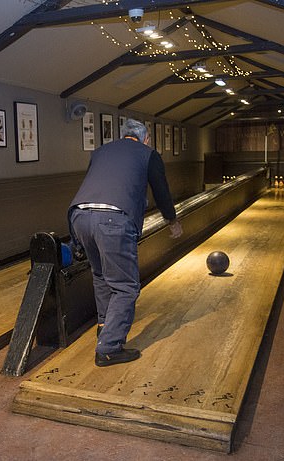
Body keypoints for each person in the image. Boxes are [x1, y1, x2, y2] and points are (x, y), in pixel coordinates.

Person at [68, 118, 183, 367]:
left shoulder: (100, 151)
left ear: (123, 136)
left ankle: (104, 326)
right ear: (145, 138)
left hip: (79, 216)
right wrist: (172, 220)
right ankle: (109, 347)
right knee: (126, 287)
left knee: (100, 276)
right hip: (112, 220)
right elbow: (160, 190)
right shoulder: (148, 154)